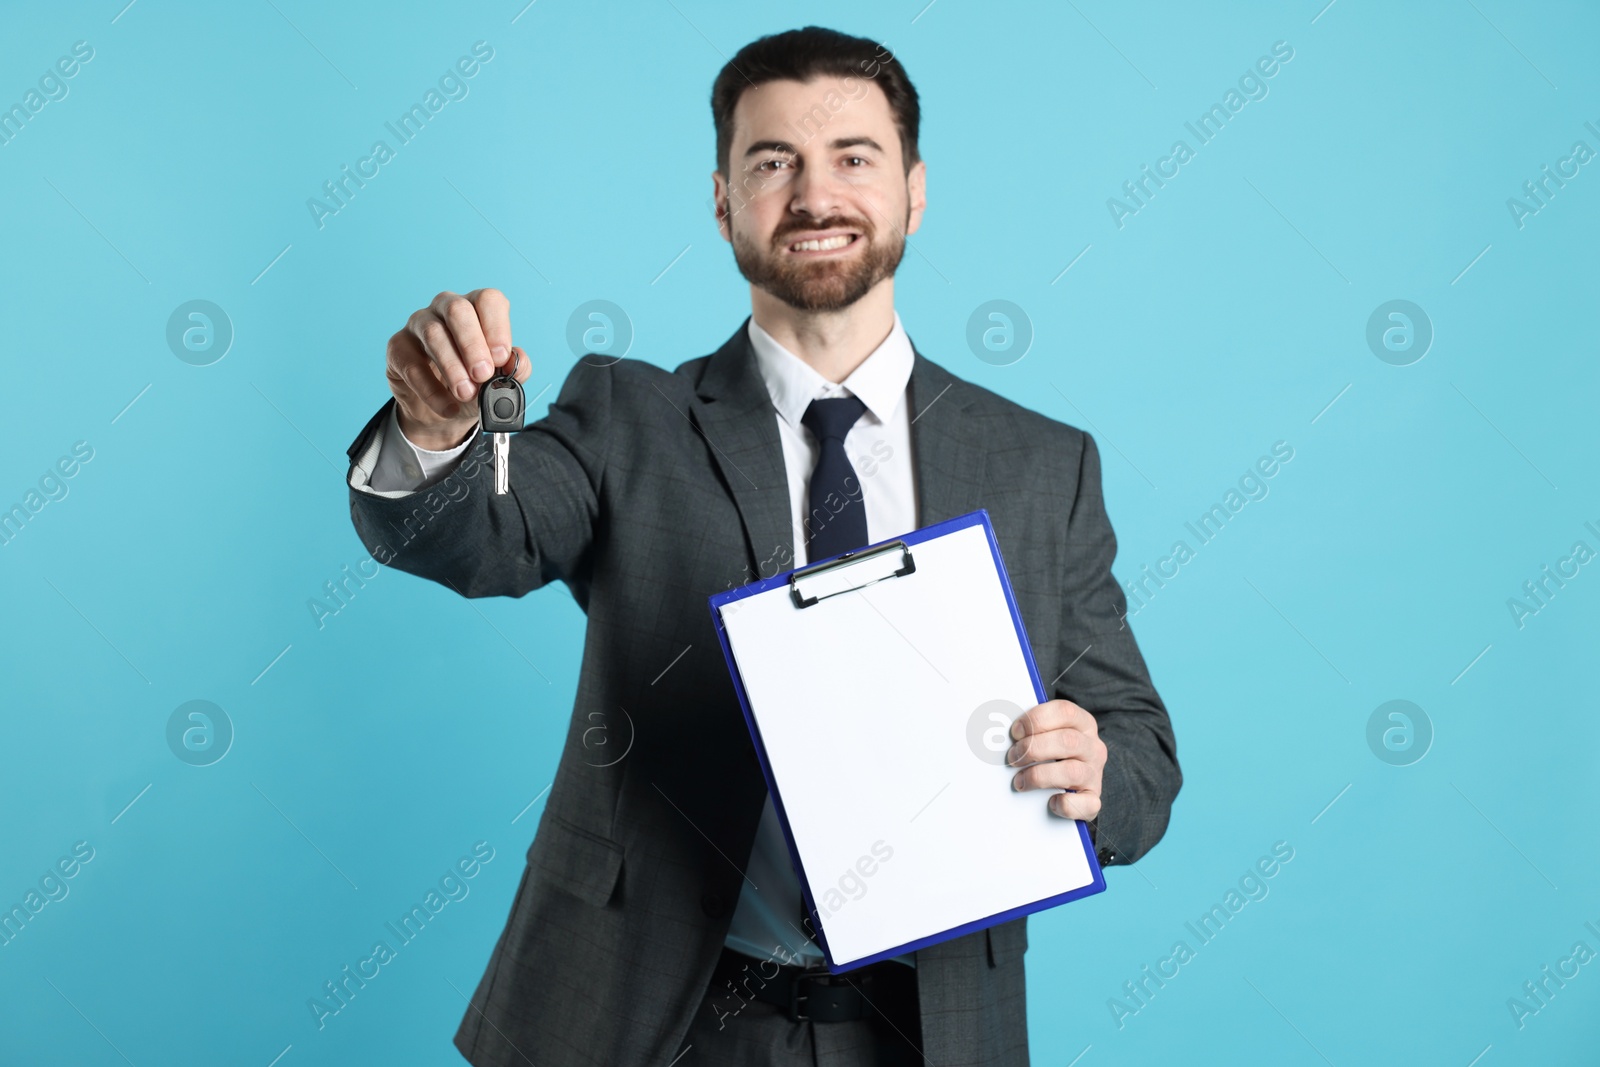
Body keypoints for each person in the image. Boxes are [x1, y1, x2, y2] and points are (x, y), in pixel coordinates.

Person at [344, 25, 1180, 1067]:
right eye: (772, 161)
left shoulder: (1041, 463)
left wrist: (1099, 772)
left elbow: (1139, 746)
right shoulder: (626, 414)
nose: (814, 194)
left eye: (853, 158)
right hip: (652, 1020)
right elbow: (485, 534)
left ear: (915, 190)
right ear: (722, 198)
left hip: (927, 1027)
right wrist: (436, 431)